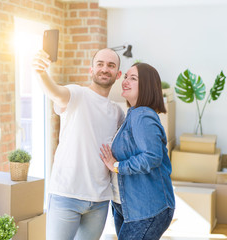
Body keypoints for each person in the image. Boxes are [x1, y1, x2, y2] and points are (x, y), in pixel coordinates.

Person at [32, 48, 125, 240]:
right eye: (99, 64)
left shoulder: (117, 112)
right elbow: (56, 93)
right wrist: (41, 73)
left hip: (99, 202)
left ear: (118, 74)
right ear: (91, 70)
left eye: (111, 65)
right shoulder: (77, 94)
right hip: (66, 196)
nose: (104, 69)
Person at [100, 62, 175, 240]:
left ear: (147, 85)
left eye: (133, 78)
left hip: (145, 208)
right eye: (126, 76)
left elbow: (152, 157)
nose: (126, 81)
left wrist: (117, 166)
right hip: (127, 205)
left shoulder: (143, 115)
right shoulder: (133, 114)